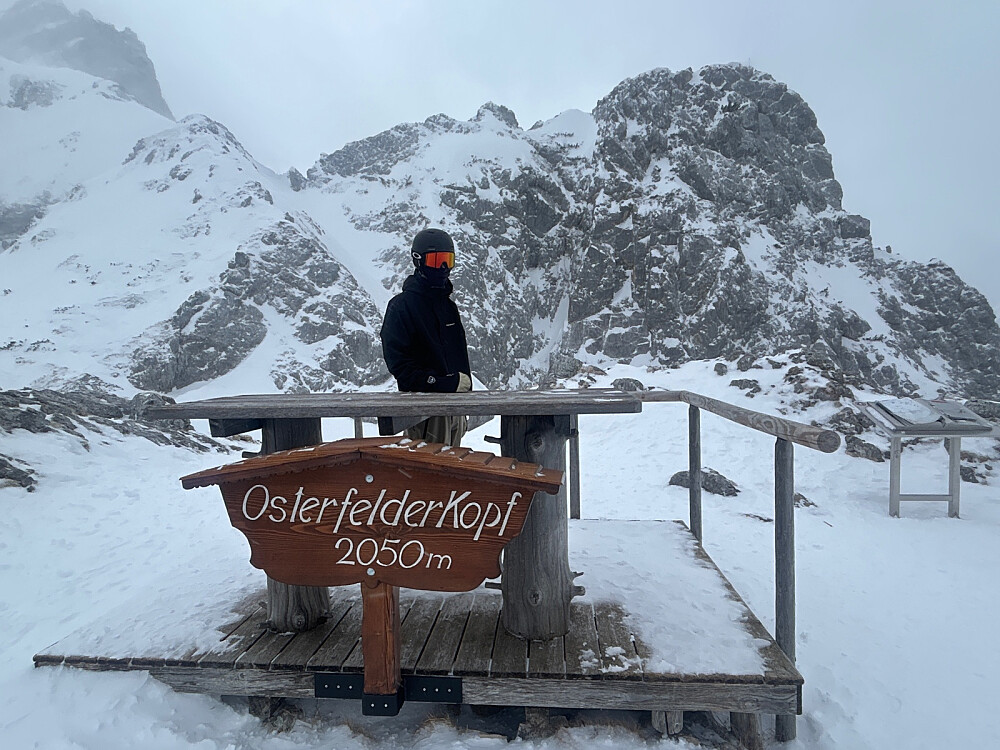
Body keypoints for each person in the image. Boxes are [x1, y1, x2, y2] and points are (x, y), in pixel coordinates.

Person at [380, 228, 472, 446]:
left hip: (454, 408)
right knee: (429, 473)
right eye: (436, 260)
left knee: (455, 471)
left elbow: (458, 358)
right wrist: (440, 383)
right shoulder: (402, 307)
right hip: (424, 412)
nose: (443, 268)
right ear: (419, 261)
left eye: (448, 260)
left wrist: (464, 397)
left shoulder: (448, 307)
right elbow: (401, 368)